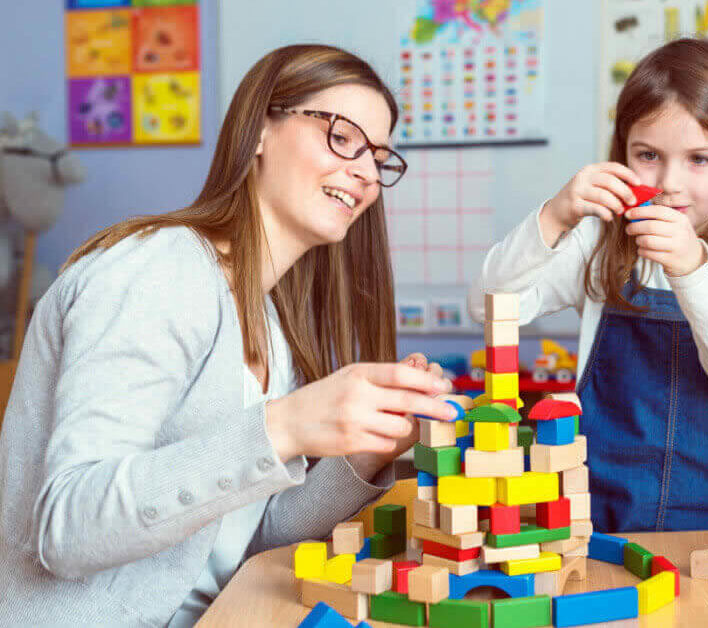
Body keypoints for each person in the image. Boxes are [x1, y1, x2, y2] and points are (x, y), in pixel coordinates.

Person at [0, 44, 459, 626]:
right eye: (343, 137)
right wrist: (284, 425)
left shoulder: (271, 326)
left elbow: (246, 543)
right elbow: (69, 528)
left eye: (380, 158)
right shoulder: (157, 270)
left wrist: (370, 449)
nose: (367, 174)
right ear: (260, 130)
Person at [469, 38, 708, 532]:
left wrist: (693, 268)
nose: (669, 182)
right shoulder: (598, 241)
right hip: (599, 515)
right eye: (648, 155)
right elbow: (488, 305)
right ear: (623, 150)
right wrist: (555, 217)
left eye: (699, 159)